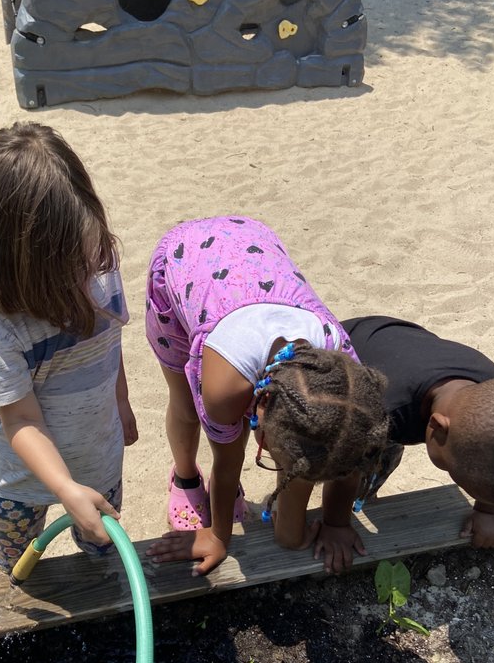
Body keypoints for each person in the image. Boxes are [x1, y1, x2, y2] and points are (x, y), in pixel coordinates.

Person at [144, 215, 389, 577]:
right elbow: (227, 465)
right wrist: (218, 535)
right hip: (185, 264)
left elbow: (344, 459)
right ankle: (185, 477)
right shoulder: (223, 390)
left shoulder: (347, 378)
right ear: (259, 409)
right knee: (185, 407)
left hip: (255, 252)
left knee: (312, 440)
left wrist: (335, 523)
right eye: (275, 457)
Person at [0, 121, 138, 574]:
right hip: (18, 481)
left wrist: (122, 403)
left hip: (98, 456)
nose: (91, 271)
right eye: (72, 264)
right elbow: (19, 418)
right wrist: (63, 487)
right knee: (12, 564)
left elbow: (110, 345)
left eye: (94, 250)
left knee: (102, 554)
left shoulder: (101, 267)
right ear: (20, 263)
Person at [343, 315, 494, 548]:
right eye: (451, 469)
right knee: (353, 460)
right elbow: (344, 468)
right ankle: (358, 496)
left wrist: (488, 511)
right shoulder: (381, 410)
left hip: (401, 346)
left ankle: (366, 495)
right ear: (437, 428)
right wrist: (335, 525)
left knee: (383, 461)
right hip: (349, 347)